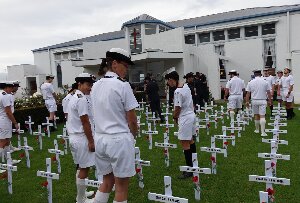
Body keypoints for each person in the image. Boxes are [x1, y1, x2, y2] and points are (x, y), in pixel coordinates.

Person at [91, 48, 138, 203]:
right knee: (121, 187)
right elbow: (132, 119)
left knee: (107, 181)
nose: (127, 69)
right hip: (118, 139)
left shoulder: (96, 85)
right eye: (125, 65)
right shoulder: (122, 85)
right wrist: (134, 135)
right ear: (115, 64)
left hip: (100, 139)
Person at [66, 73, 96, 203]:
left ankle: (82, 194)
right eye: (88, 85)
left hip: (74, 136)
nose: (90, 87)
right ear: (80, 84)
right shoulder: (81, 99)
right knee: (84, 168)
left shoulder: (74, 96)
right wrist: (91, 141)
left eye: (91, 85)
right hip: (81, 138)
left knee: (81, 167)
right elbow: (85, 122)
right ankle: (81, 199)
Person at [165, 71, 197, 179]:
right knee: (191, 140)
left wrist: (174, 117)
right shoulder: (186, 86)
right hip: (191, 115)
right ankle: (194, 164)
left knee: (184, 142)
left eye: (168, 82)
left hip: (185, 117)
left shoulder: (177, 91)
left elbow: (177, 107)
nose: (168, 84)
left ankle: (190, 169)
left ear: (171, 80)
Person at [245, 69, 272, 137]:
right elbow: (268, 92)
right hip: (263, 100)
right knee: (262, 116)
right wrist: (270, 101)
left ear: (254, 75)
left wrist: (247, 101)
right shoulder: (265, 82)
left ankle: (257, 130)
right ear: (260, 74)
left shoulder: (250, 82)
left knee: (256, 115)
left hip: (254, 100)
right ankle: (263, 132)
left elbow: (248, 93)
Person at [0, 81, 19, 164]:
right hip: (4, 120)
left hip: (3, 119)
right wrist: (15, 122)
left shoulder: (1, 94)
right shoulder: (5, 96)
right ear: (7, 87)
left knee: (7, 140)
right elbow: (8, 112)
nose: (11, 90)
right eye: (11, 88)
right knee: (3, 142)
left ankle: (8, 160)